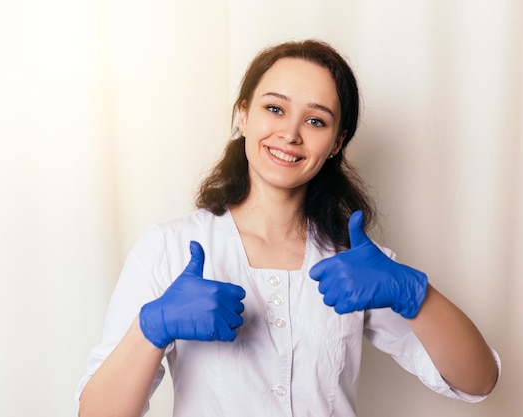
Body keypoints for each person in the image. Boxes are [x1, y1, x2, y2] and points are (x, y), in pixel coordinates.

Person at [76, 39, 500, 417]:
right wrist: (152, 328)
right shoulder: (168, 248)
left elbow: (477, 381)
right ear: (243, 115)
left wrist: (415, 292)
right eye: (274, 108)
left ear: (337, 143)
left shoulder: (356, 265)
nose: (290, 134)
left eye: (316, 121)